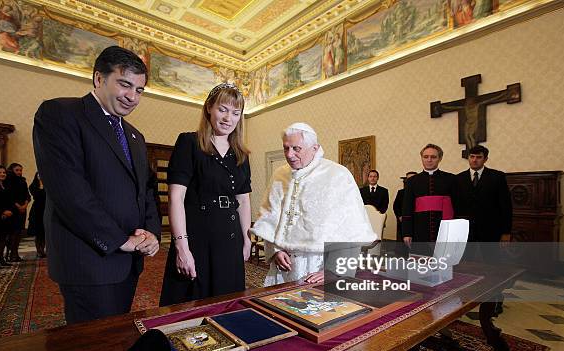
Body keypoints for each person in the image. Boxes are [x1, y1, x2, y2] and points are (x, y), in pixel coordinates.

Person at [33, 46, 161, 324]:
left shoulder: (135, 136)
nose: (132, 97)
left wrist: (152, 233)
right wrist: (120, 240)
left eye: (139, 90)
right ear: (98, 79)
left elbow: (146, 190)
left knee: (115, 337)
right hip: (89, 259)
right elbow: (69, 192)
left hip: (129, 261)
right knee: (89, 350)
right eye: (125, 84)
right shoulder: (60, 114)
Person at [159, 83, 251, 306]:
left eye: (235, 113)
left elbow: (243, 200)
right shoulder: (189, 142)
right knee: (190, 308)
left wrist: (246, 239)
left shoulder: (241, 154)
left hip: (230, 241)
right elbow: (176, 198)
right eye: (223, 109)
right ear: (209, 107)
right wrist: (181, 247)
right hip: (196, 241)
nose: (228, 118)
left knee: (227, 307)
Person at [252, 123, 377, 286]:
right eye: (286, 148)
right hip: (284, 265)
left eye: (296, 148)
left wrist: (333, 271)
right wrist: (275, 250)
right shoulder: (279, 175)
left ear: (315, 148)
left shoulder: (337, 175)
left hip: (320, 265)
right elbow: (270, 218)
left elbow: (351, 229)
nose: (289, 155)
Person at [402, 144, 456, 254]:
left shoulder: (451, 179)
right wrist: (407, 233)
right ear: (421, 158)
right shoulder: (412, 181)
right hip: (419, 228)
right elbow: (407, 208)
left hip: (445, 228)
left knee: (445, 263)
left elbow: (458, 206)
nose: (429, 160)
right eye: (426, 157)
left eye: (433, 157)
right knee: (421, 263)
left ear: (440, 158)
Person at [454, 145, 512, 242]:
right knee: (467, 257)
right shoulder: (458, 178)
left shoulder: (497, 177)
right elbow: (456, 205)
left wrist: (506, 232)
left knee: (491, 257)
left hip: (491, 231)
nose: (474, 160)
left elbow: (506, 206)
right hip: (466, 232)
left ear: (485, 159)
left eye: (479, 157)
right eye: (472, 156)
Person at [4, 162, 30, 262]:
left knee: (19, 232)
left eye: (20, 170)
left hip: (23, 209)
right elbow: (9, 196)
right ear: (11, 170)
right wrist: (19, 206)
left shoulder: (23, 180)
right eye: (17, 170)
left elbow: (27, 195)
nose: (19, 172)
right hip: (13, 209)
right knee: (13, 232)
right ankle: (11, 254)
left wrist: (25, 204)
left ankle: (15, 253)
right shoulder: (8, 180)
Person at [393, 171, 417, 241]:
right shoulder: (401, 192)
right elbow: (396, 206)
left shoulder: (421, 191)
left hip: (417, 221)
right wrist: (399, 216)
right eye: (408, 179)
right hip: (404, 220)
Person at [28, 172, 46, 258]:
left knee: (44, 232)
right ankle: (39, 250)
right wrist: (41, 184)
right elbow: (37, 195)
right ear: (36, 176)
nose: (40, 176)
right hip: (37, 210)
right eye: (39, 175)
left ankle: (43, 249)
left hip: (46, 209)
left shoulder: (49, 185)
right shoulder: (33, 186)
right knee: (38, 232)